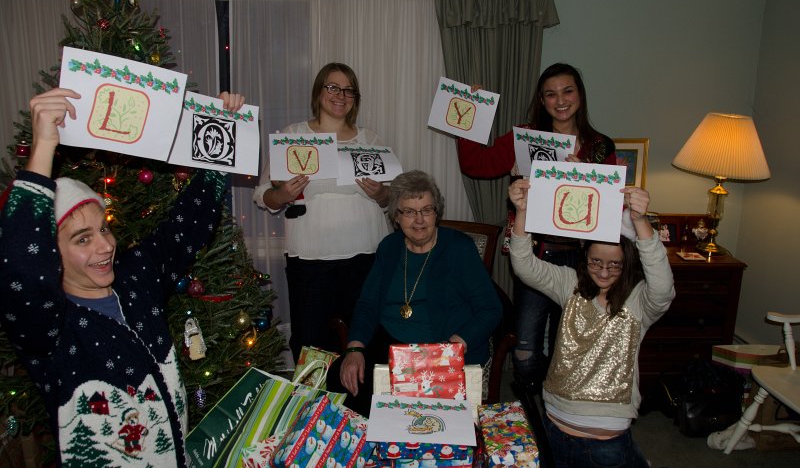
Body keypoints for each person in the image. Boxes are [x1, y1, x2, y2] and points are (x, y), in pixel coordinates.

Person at [0, 88, 245, 467]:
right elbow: (19, 265)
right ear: (49, 254)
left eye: (104, 229)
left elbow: (186, 225)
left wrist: (222, 129)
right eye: (83, 238)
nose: (104, 246)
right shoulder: (50, 329)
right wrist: (44, 146)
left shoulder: (134, 280)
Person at [457, 63, 617, 395]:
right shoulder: (524, 137)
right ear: (542, 101)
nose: (560, 100)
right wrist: (469, 113)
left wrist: (588, 176)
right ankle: (533, 408)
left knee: (569, 347)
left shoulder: (600, 146)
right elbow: (475, 164)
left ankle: (556, 412)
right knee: (526, 349)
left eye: (568, 91)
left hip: (584, 260)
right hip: (535, 256)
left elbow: (609, 211)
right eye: (551, 94)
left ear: (580, 95)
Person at [507, 179, 675, 468]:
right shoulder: (569, 284)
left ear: (629, 263)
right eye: (596, 262)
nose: (604, 272)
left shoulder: (638, 301)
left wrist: (640, 221)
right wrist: (522, 211)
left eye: (615, 265)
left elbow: (663, 288)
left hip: (607, 441)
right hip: (554, 427)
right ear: (584, 259)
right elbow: (524, 265)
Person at [330, 170, 502, 415]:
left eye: (427, 210)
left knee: (415, 411)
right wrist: (355, 348)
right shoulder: (389, 248)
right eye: (409, 211)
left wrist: (455, 346)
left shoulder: (459, 248)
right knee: (343, 378)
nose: (419, 220)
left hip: (440, 345)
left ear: (437, 212)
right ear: (396, 217)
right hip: (390, 343)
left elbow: (490, 309)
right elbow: (368, 303)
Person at [253, 62, 391, 360]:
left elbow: (391, 198)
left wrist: (382, 193)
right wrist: (281, 194)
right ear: (318, 92)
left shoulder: (370, 140)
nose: (340, 95)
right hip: (310, 260)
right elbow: (263, 195)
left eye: (348, 90)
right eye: (333, 87)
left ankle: (362, 405)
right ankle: (317, 406)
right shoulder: (294, 136)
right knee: (312, 341)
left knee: (366, 339)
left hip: (366, 257)